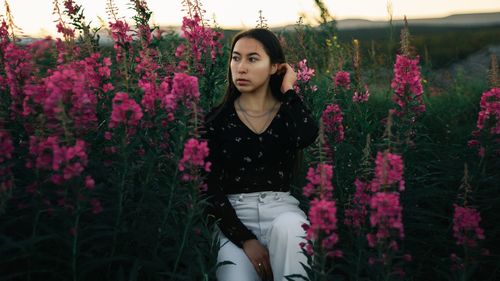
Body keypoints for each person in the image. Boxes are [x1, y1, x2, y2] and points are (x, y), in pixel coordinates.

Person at [203, 28, 319, 281]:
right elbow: (207, 186)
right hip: (233, 220)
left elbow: (307, 135)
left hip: (282, 213)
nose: (241, 67)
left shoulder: (287, 114)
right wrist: (245, 239)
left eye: (252, 59)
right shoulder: (215, 121)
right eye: (236, 58)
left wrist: (289, 91)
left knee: (291, 228)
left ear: (275, 67)